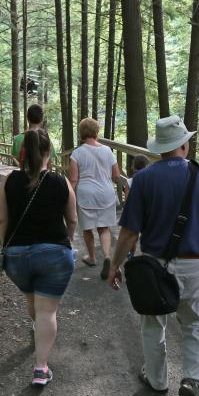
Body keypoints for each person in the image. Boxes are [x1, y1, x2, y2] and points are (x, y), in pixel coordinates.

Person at [107, 116, 199, 396]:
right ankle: (192, 381)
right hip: (196, 265)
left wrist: (115, 265)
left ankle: (157, 379)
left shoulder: (144, 179)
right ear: (184, 146)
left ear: (160, 149)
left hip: (155, 268)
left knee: (152, 324)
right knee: (195, 324)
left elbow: (129, 234)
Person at [0, 128, 78, 386]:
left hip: (18, 256)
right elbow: (73, 218)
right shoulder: (59, 181)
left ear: (23, 153)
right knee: (48, 311)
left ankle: (37, 328)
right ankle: (41, 368)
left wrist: (6, 246)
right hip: (54, 253)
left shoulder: (10, 180)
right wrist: (69, 238)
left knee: (32, 298)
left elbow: (2, 220)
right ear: (48, 153)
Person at [69, 117, 128, 279]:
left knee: (87, 228)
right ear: (96, 132)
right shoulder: (108, 150)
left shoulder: (77, 153)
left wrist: (68, 197)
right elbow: (116, 176)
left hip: (86, 194)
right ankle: (107, 256)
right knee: (104, 228)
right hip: (106, 193)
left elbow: (73, 179)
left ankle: (92, 257)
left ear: (82, 133)